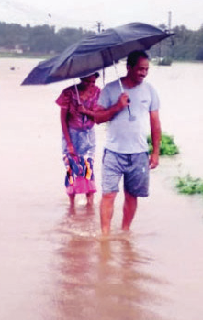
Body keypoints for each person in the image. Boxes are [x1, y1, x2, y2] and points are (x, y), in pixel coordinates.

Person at [80, 50, 162, 235]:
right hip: (114, 152)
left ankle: (125, 231)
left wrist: (156, 151)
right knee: (108, 194)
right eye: (140, 69)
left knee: (132, 196)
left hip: (139, 153)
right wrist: (117, 106)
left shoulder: (150, 91)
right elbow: (98, 118)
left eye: (146, 69)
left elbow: (155, 122)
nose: (143, 73)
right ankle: (105, 237)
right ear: (129, 68)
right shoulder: (110, 89)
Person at [55, 72, 101, 209]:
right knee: (71, 168)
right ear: (81, 79)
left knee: (88, 168)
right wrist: (69, 143)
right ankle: (71, 206)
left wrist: (85, 111)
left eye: (93, 82)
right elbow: (63, 120)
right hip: (71, 135)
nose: (90, 85)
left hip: (88, 136)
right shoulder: (68, 93)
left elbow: (99, 117)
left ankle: (90, 204)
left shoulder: (99, 93)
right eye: (87, 82)